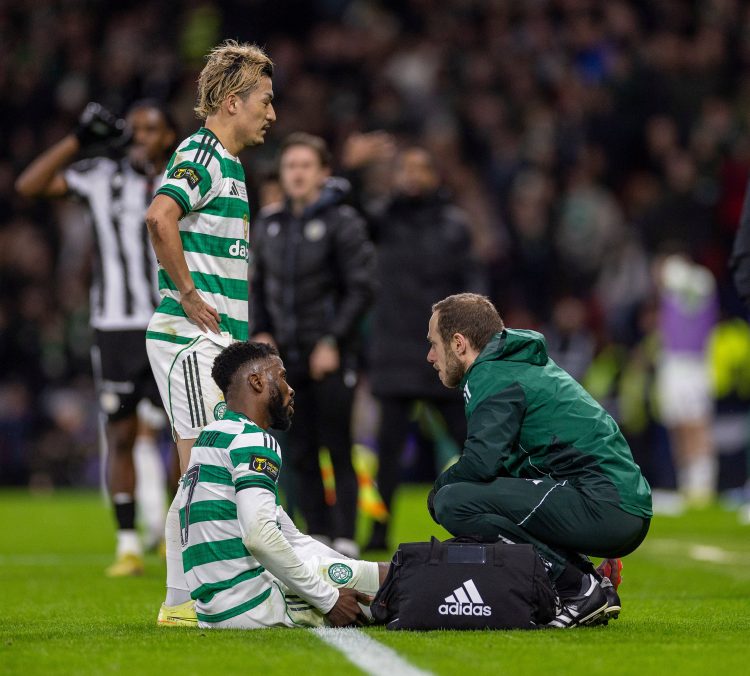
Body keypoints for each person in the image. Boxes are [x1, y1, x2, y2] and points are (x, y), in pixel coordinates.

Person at [15, 99, 178, 576]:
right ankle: (128, 545)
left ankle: (175, 536)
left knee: (182, 434)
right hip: (115, 327)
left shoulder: (183, 179)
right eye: (135, 129)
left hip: (170, 321)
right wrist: (77, 140)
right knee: (121, 433)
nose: (141, 137)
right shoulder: (102, 178)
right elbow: (29, 186)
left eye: (152, 129)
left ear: (169, 137)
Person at [144, 40, 276, 626]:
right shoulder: (201, 153)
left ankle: (191, 595)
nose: (272, 113)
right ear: (231, 102)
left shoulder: (232, 165)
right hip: (189, 340)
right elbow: (159, 215)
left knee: (209, 464)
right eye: (264, 101)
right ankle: (180, 601)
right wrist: (188, 294)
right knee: (200, 467)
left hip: (215, 345)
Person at [425, 293, 652, 628]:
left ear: (459, 344)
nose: (430, 356)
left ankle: (576, 586)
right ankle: (591, 581)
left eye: (434, 344)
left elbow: (480, 465)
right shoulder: (515, 364)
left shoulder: (491, 373)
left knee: (453, 502)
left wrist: (438, 490)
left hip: (605, 504)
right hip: (616, 502)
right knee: (485, 494)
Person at [178, 340, 384, 628]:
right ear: (257, 382)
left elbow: (291, 537)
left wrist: (351, 568)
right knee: (396, 583)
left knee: (380, 575)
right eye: (282, 376)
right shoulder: (252, 440)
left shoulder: (211, 437)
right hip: (252, 602)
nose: (291, 388)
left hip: (214, 606)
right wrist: (329, 599)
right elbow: (260, 537)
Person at [344, 143, 483, 551]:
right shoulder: (385, 218)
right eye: (406, 168)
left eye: (421, 168)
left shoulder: (454, 225)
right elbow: (349, 213)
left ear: (435, 176)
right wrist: (354, 169)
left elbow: (474, 284)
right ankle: (378, 533)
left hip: (445, 354)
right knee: (387, 456)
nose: (412, 175)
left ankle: (493, 520)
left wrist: (471, 341)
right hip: (395, 352)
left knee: (473, 441)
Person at [250, 133, 374, 557]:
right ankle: (317, 535)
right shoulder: (269, 224)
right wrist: (261, 331)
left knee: (337, 444)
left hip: (330, 355)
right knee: (298, 448)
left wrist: (332, 340)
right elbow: (257, 287)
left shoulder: (344, 222)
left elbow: (360, 289)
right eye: (290, 166)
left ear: (324, 173)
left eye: (305, 165)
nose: (297, 173)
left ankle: (345, 537)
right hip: (285, 356)